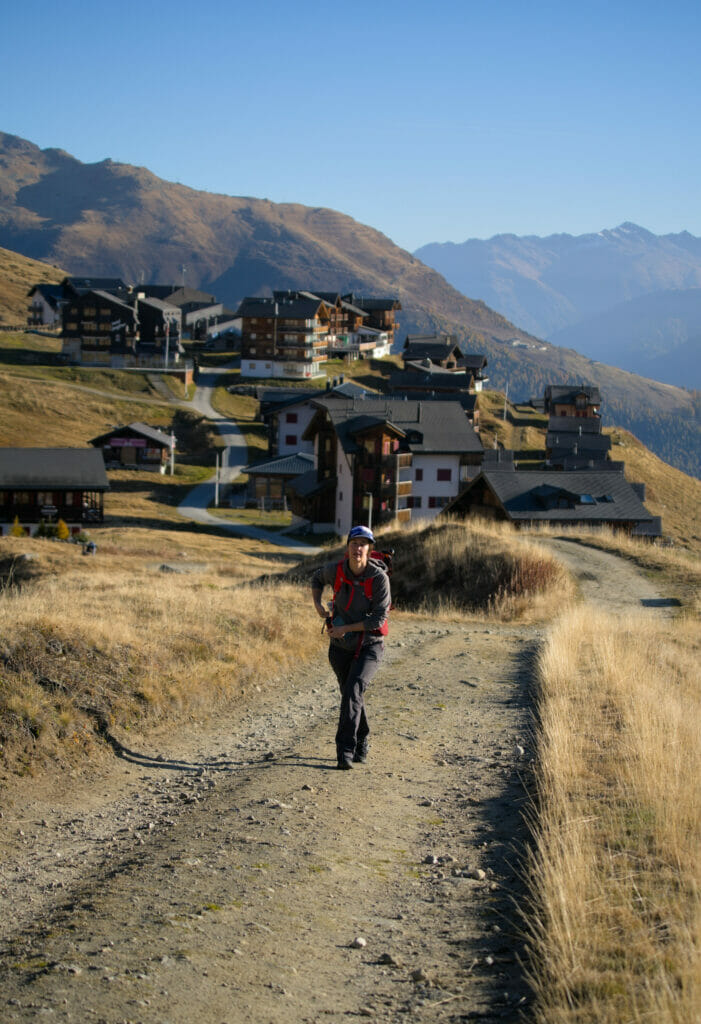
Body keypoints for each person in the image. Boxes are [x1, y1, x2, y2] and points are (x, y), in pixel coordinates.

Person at [311, 525, 391, 770]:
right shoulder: (336, 570)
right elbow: (316, 577)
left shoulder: (379, 579)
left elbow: (378, 619)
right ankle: (363, 736)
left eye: (363, 544)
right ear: (348, 548)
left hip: (370, 646)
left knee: (353, 691)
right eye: (354, 544)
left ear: (369, 549)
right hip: (339, 648)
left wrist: (347, 628)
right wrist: (317, 604)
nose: (358, 548)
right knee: (350, 694)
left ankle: (345, 751)